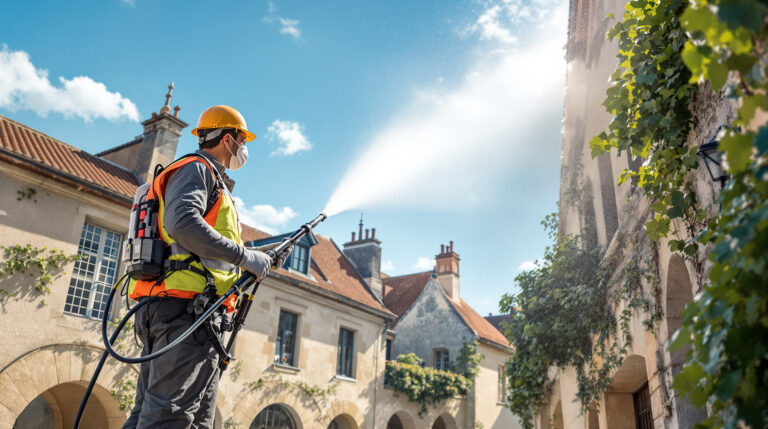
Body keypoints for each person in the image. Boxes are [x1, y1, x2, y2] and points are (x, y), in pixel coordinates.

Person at [123, 105, 291, 428]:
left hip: (193, 316)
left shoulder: (208, 178)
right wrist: (244, 258)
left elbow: (206, 255)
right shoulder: (198, 170)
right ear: (228, 140)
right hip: (185, 314)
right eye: (243, 140)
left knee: (190, 418)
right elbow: (183, 223)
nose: (244, 149)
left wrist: (258, 256)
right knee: (167, 418)